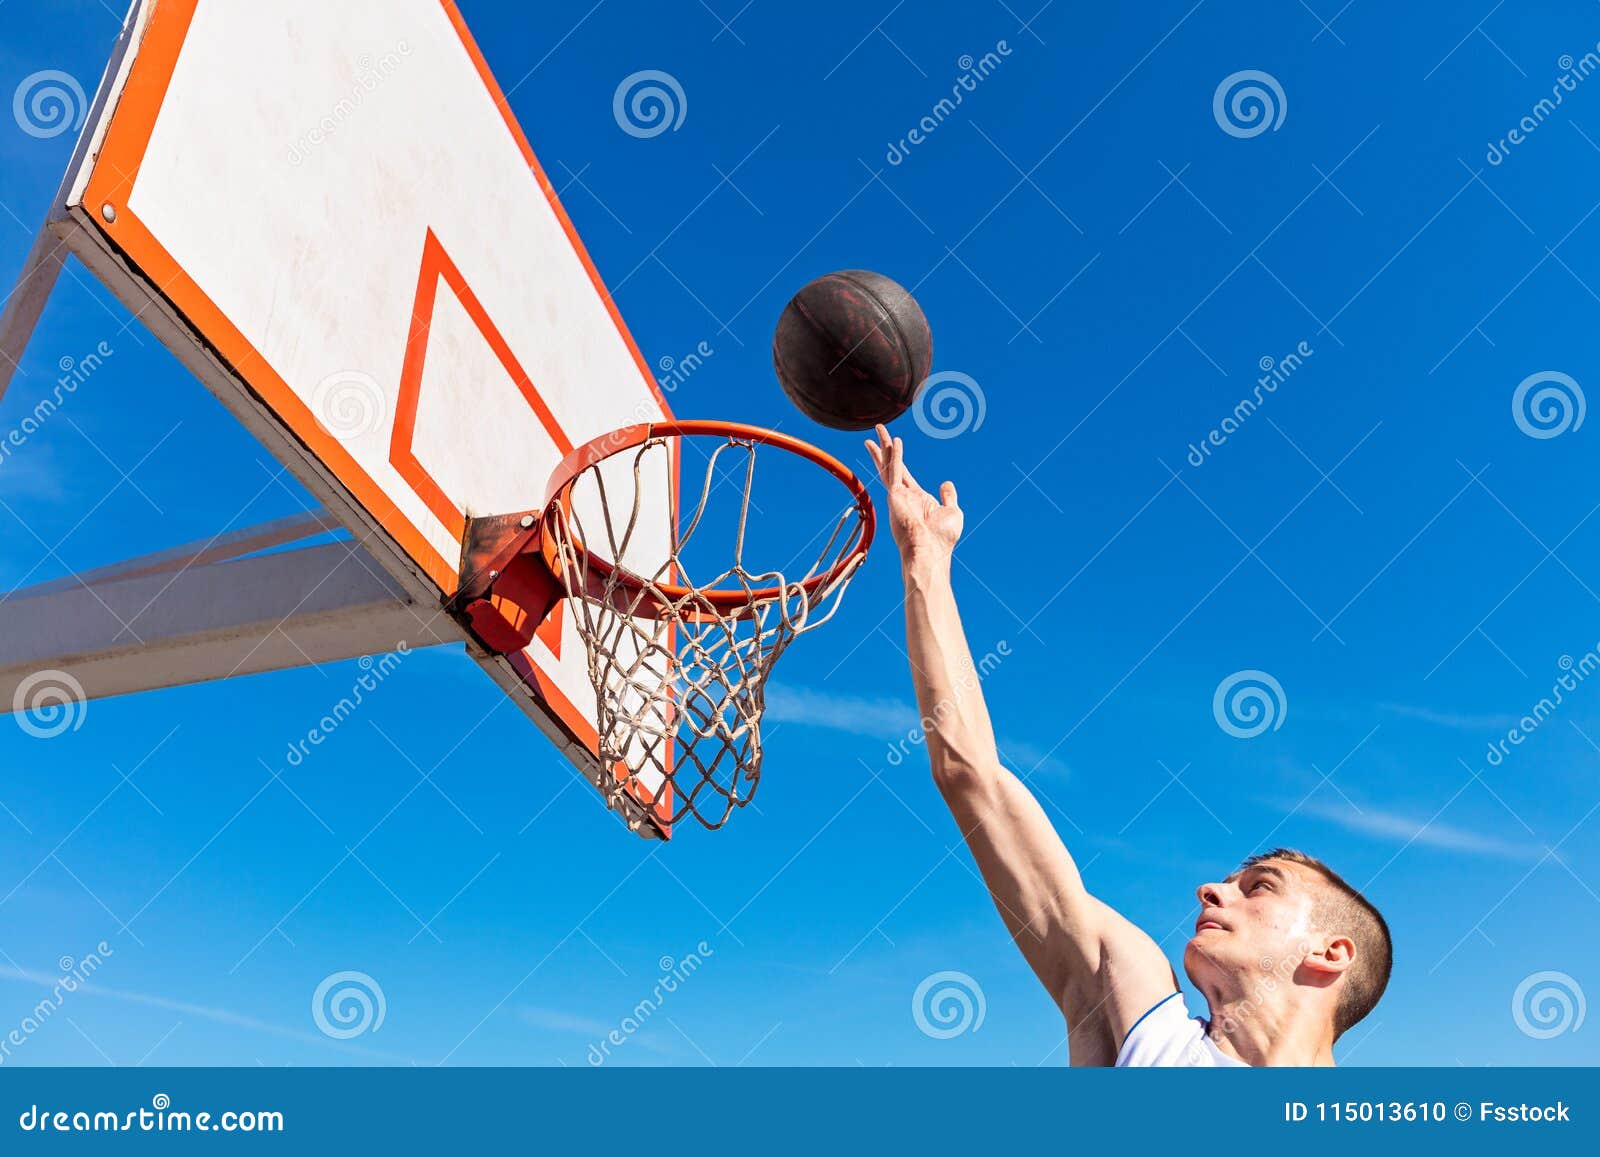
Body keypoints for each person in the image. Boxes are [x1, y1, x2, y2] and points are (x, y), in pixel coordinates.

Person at [864, 426, 1392, 1067]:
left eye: (1259, 887)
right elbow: (968, 774)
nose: (1210, 890)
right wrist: (925, 559)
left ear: (1330, 952)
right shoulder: (1143, 1020)